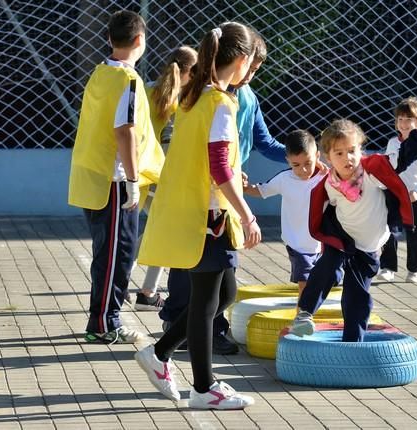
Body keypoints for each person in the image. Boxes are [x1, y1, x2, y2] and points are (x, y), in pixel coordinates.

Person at [134, 22, 260, 409]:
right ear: (241, 61)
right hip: (209, 218)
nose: (252, 71)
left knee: (226, 293)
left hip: (203, 212)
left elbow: (207, 160)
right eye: (253, 64)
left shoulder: (195, 96)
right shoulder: (219, 103)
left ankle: (159, 353)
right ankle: (204, 389)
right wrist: (248, 214)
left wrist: (229, 176)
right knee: (207, 302)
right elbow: (219, 167)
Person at [291, 114, 417, 342]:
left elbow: (402, 158)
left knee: (357, 296)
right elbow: (320, 212)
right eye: (339, 153)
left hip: (368, 247)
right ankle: (305, 314)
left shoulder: (373, 172)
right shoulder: (330, 185)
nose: (347, 158)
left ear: (360, 151)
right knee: (327, 267)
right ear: (328, 158)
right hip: (342, 239)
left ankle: (353, 342)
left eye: (352, 151)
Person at [68, 10, 164, 344]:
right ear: (140, 40)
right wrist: (134, 180)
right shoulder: (129, 80)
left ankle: (104, 317)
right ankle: (105, 322)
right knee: (117, 255)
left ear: (109, 39)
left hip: (94, 176)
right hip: (115, 180)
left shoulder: (99, 73)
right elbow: (124, 131)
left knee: (109, 252)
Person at [132, 45, 198, 312]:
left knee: (157, 230)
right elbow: (172, 145)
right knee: (162, 231)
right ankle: (136, 285)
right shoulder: (185, 100)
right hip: (162, 175)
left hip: (138, 171)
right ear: (190, 72)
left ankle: (146, 291)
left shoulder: (146, 89)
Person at [243, 130, 324, 297]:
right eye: (296, 165)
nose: (302, 170)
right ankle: (302, 318)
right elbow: (261, 190)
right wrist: (242, 187)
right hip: (297, 244)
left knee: (318, 283)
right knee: (305, 284)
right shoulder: (284, 179)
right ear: (288, 161)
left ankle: (307, 315)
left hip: (322, 244)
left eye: (308, 163)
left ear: (317, 156)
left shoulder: (327, 177)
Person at [378, 97, 417, 283]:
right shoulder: (392, 143)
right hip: (394, 194)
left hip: (415, 198)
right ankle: (387, 267)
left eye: (408, 119)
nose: (403, 123)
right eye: (400, 119)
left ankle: (414, 269)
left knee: (416, 234)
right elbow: (388, 168)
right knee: (389, 231)